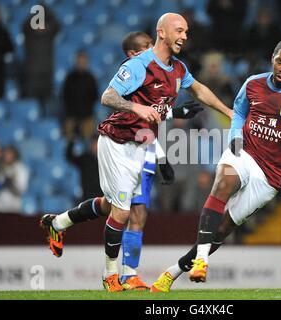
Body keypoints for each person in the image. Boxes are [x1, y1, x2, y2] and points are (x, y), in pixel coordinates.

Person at [41, 13, 233, 293]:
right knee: (122, 211)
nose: (184, 36)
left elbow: (199, 90)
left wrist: (227, 111)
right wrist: (136, 108)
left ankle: (58, 222)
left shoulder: (178, 69)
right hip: (117, 142)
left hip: (140, 146)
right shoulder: (139, 65)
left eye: (187, 32)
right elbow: (107, 97)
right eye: (179, 30)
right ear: (162, 32)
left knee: (110, 206)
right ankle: (110, 277)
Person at [150, 39, 281, 292]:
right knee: (223, 182)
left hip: (271, 175)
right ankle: (201, 261)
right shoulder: (253, 84)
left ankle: (173, 272)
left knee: (223, 228)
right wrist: (235, 137)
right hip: (244, 151)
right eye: (280, 61)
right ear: (273, 57)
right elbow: (238, 112)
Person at [62, 50, 99, 140]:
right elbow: (65, 95)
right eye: (79, 61)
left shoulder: (91, 78)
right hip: (71, 115)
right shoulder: (70, 77)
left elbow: (95, 96)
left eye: (83, 61)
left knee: (89, 138)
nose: (81, 63)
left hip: (87, 116)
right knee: (69, 139)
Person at [0, 146, 29, 213]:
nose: (6, 156)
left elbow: (22, 190)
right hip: (0, 204)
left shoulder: (21, 168)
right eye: (5, 154)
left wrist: (11, 182)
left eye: (9, 154)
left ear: (14, 155)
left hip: (15, 204)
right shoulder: (1, 167)